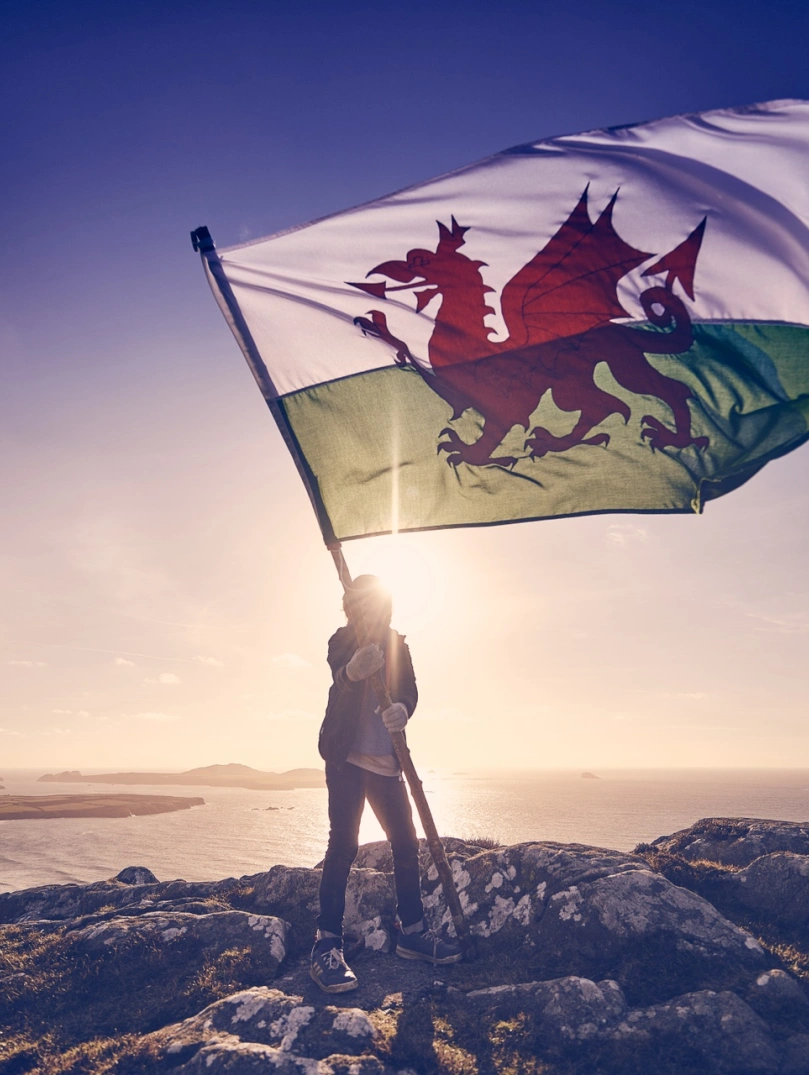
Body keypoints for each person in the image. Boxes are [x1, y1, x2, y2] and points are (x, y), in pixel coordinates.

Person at [310, 574, 462, 993]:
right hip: (345, 758)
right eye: (362, 605)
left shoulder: (400, 645)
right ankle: (326, 945)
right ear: (351, 608)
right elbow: (339, 672)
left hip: (386, 761)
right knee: (342, 846)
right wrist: (353, 672)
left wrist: (402, 709)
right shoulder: (341, 639)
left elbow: (410, 690)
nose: (369, 611)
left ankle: (410, 931)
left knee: (406, 843)